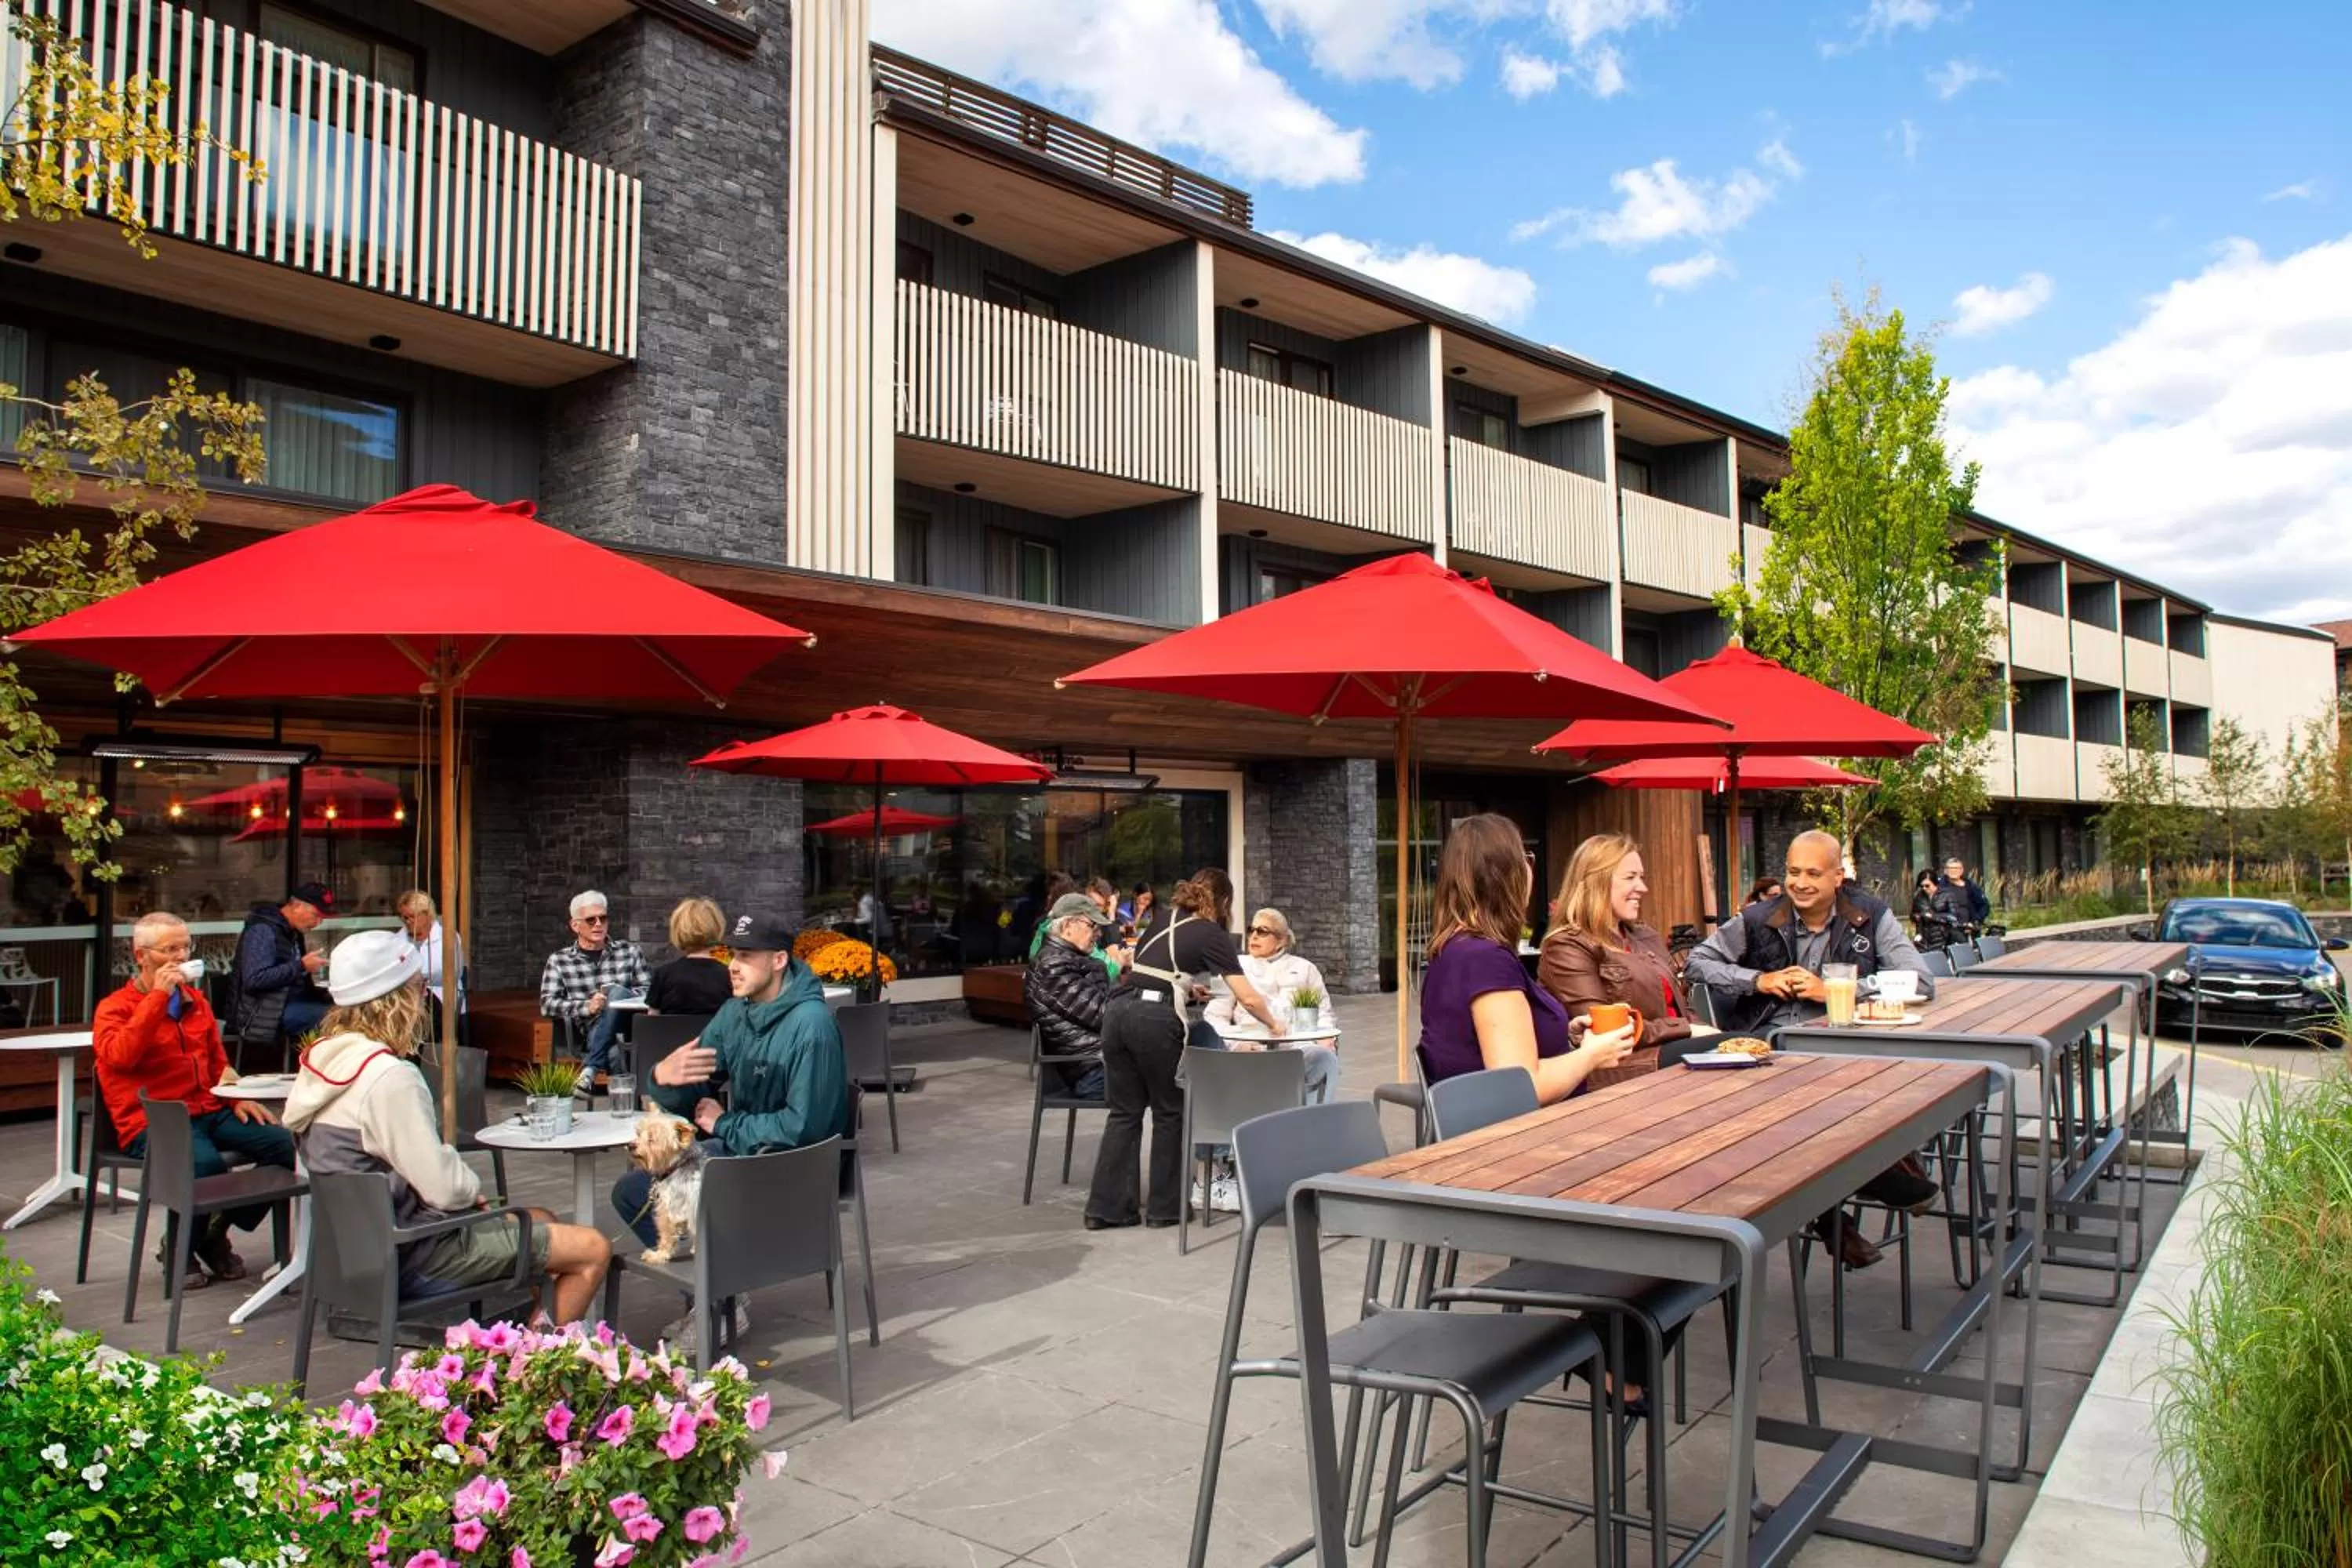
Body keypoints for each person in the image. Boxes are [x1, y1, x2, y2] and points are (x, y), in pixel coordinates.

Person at [284, 931, 612, 1324]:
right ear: (396, 1000)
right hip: (415, 1254)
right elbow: (445, 1189)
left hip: (353, 1252)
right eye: (420, 986)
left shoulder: (319, 1065)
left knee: (541, 1217)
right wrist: (469, 1189)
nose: (426, 998)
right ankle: (531, 1372)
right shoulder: (387, 1077)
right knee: (592, 1248)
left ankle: (521, 1338)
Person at [1684, 829, 1938, 1266]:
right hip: (1775, 1052)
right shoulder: (1757, 918)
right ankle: (1873, 1178)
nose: (1799, 883)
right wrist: (1758, 980)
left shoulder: (1870, 915)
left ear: (1838, 876)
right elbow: (1696, 962)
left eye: (1813, 873)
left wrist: (1842, 988)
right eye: (1793, 872)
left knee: (1835, 1103)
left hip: (1850, 1050)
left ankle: (1838, 1210)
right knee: (1811, 1108)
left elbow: (1922, 981)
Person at [619, 913, 853, 1339]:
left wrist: (725, 1122)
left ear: (779, 960)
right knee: (635, 1189)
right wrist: (663, 1078)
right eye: (732, 954)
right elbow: (695, 1090)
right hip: (745, 1157)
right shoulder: (734, 1014)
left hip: (795, 1173)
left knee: (690, 1189)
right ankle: (722, 1299)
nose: (733, 966)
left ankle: (718, 1304)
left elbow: (806, 1129)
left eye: (746, 956)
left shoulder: (812, 1026)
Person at [96, 912, 300, 1291]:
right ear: (140, 955)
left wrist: (234, 1096)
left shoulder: (196, 1002)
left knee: (286, 1146)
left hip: (208, 1108)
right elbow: (119, 1057)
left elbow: (216, 1060)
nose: (179, 956)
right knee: (204, 1165)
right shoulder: (115, 1007)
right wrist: (157, 998)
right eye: (168, 949)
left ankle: (210, 1231)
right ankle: (182, 1250)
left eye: (185, 946)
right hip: (153, 1120)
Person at [1085, 867, 1281, 1230]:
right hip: (1153, 1019)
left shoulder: (1162, 917)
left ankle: (1106, 1209)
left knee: (1124, 1113)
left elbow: (1150, 970)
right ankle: (1164, 1209)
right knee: (1169, 1110)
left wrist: (1189, 989)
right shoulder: (1211, 933)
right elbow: (1249, 998)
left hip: (1118, 1012)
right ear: (1224, 901)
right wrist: (1275, 1024)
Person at [1419, 815, 1635, 1104]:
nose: (1531, 868)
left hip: (1473, 1131)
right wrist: (1592, 1056)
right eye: (1526, 858)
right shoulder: (1486, 960)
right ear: (1506, 874)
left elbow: (1471, 1046)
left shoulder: (1449, 949)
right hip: (1521, 1138)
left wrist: (1566, 1035)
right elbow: (1520, 1087)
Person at [1537, 835, 1702, 1087]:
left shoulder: (1645, 936)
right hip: (1625, 1070)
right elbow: (1605, 1032)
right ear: (1597, 883)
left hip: (1674, 1056)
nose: (1643, 888)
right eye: (1630, 877)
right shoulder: (1567, 945)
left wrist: (1706, 1030)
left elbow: (1681, 1007)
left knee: (1745, 1047)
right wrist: (1689, 1030)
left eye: (1642, 877)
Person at [1207, 907, 1340, 1105]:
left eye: (1263, 931)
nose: (1254, 936)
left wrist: (1327, 1038)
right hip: (1253, 1049)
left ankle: (1312, 1120)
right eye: (1252, 930)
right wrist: (1235, 1045)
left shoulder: (1305, 968)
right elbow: (1215, 1017)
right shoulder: (1236, 967)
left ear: (1282, 940)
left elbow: (1323, 1012)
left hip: (1296, 1048)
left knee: (1324, 1058)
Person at [539, 890, 650, 1098]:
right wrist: (586, 1007)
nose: (598, 924)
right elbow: (547, 1004)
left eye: (603, 918)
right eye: (591, 920)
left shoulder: (630, 952)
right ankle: (627, 1114)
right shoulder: (560, 960)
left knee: (615, 993)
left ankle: (589, 1070)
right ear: (575, 926)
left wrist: (620, 998)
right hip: (589, 1031)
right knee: (616, 1053)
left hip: (629, 1025)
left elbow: (648, 992)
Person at [1023, 893, 1112, 1101]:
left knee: (1176, 1071)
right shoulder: (1052, 966)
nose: (1098, 934)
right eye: (1093, 926)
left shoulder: (1072, 960)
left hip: (1101, 1062)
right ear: (1068, 925)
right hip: (1092, 1071)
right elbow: (1106, 1015)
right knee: (1172, 1081)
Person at [234, 881, 336, 1057]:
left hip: (289, 1005)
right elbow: (254, 980)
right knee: (337, 1018)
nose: (318, 922)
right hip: (263, 1013)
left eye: (322, 918)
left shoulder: (291, 931)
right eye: (315, 915)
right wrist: (301, 966)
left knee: (345, 1009)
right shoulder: (263, 930)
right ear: (296, 906)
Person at [396, 890, 466, 1039]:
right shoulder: (398, 940)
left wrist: (413, 974)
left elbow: (450, 971)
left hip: (442, 1005)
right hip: (409, 1006)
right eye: (404, 917)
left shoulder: (448, 937)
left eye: (412, 917)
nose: (407, 922)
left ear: (427, 915)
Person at [646, 897, 733, 1016]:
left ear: (677, 931)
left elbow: (652, 1021)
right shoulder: (732, 976)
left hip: (672, 1035)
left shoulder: (663, 975)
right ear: (717, 928)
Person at [1932, 857, 1991, 935]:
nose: (1953, 871)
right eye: (1951, 868)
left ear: (1962, 871)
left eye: (1957, 868)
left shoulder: (1970, 886)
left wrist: (1975, 922)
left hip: (1969, 929)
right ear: (1945, 871)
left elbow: (1984, 906)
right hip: (1946, 931)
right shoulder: (1938, 886)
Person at [1910, 870, 1949, 949]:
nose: (1924, 888)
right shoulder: (1919, 897)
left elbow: (1953, 917)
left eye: (1927, 886)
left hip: (1941, 936)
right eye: (1922, 886)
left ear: (1935, 884)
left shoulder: (1946, 895)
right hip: (1923, 936)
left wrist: (1933, 917)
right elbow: (1913, 914)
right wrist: (1916, 917)